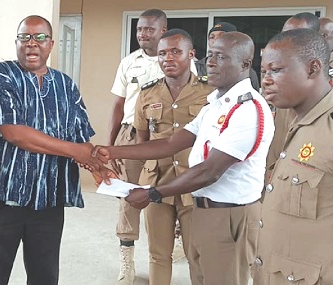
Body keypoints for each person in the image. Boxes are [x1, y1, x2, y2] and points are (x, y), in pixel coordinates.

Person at [93, 32, 275, 285]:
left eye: (221, 57)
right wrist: (112, 151)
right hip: (205, 209)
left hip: (230, 215)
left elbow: (208, 171)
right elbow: (170, 143)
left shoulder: (247, 109)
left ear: (245, 64)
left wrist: (153, 193)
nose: (210, 62)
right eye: (210, 55)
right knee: (199, 275)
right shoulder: (215, 105)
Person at [0, 15, 108, 285]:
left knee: (45, 275)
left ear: (51, 44)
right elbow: (15, 133)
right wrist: (75, 151)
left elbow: (80, 139)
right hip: (0, 194)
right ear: (17, 42)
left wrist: (98, 162)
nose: (32, 44)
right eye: (25, 37)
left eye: (40, 37)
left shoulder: (66, 85)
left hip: (48, 196)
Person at [253, 28, 332, 285]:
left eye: (276, 70)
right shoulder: (296, 121)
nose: (266, 80)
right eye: (264, 72)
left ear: (312, 69)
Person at [135, 29, 214, 285]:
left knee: (197, 255)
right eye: (162, 53)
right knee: (158, 255)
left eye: (175, 52)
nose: (168, 58)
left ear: (191, 54)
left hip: (195, 183)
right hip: (157, 182)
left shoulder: (210, 92)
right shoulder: (147, 93)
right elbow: (141, 141)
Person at [108, 9, 168, 283]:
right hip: (131, 135)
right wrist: (111, 145)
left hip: (165, 137)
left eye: (149, 29)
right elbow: (119, 105)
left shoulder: (177, 60)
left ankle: (163, 255)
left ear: (162, 31)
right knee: (129, 196)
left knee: (166, 195)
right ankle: (127, 259)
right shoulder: (129, 62)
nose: (143, 34)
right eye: (139, 29)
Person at [266, 12, 321, 181]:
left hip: (308, 167)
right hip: (275, 164)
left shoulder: (324, 76)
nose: (287, 40)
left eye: (296, 35)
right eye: (284, 34)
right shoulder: (276, 71)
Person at [195, 22, 260, 91]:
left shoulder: (247, 71)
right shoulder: (195, 68)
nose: (215, 40)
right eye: (212, 37)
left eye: (222, 36)